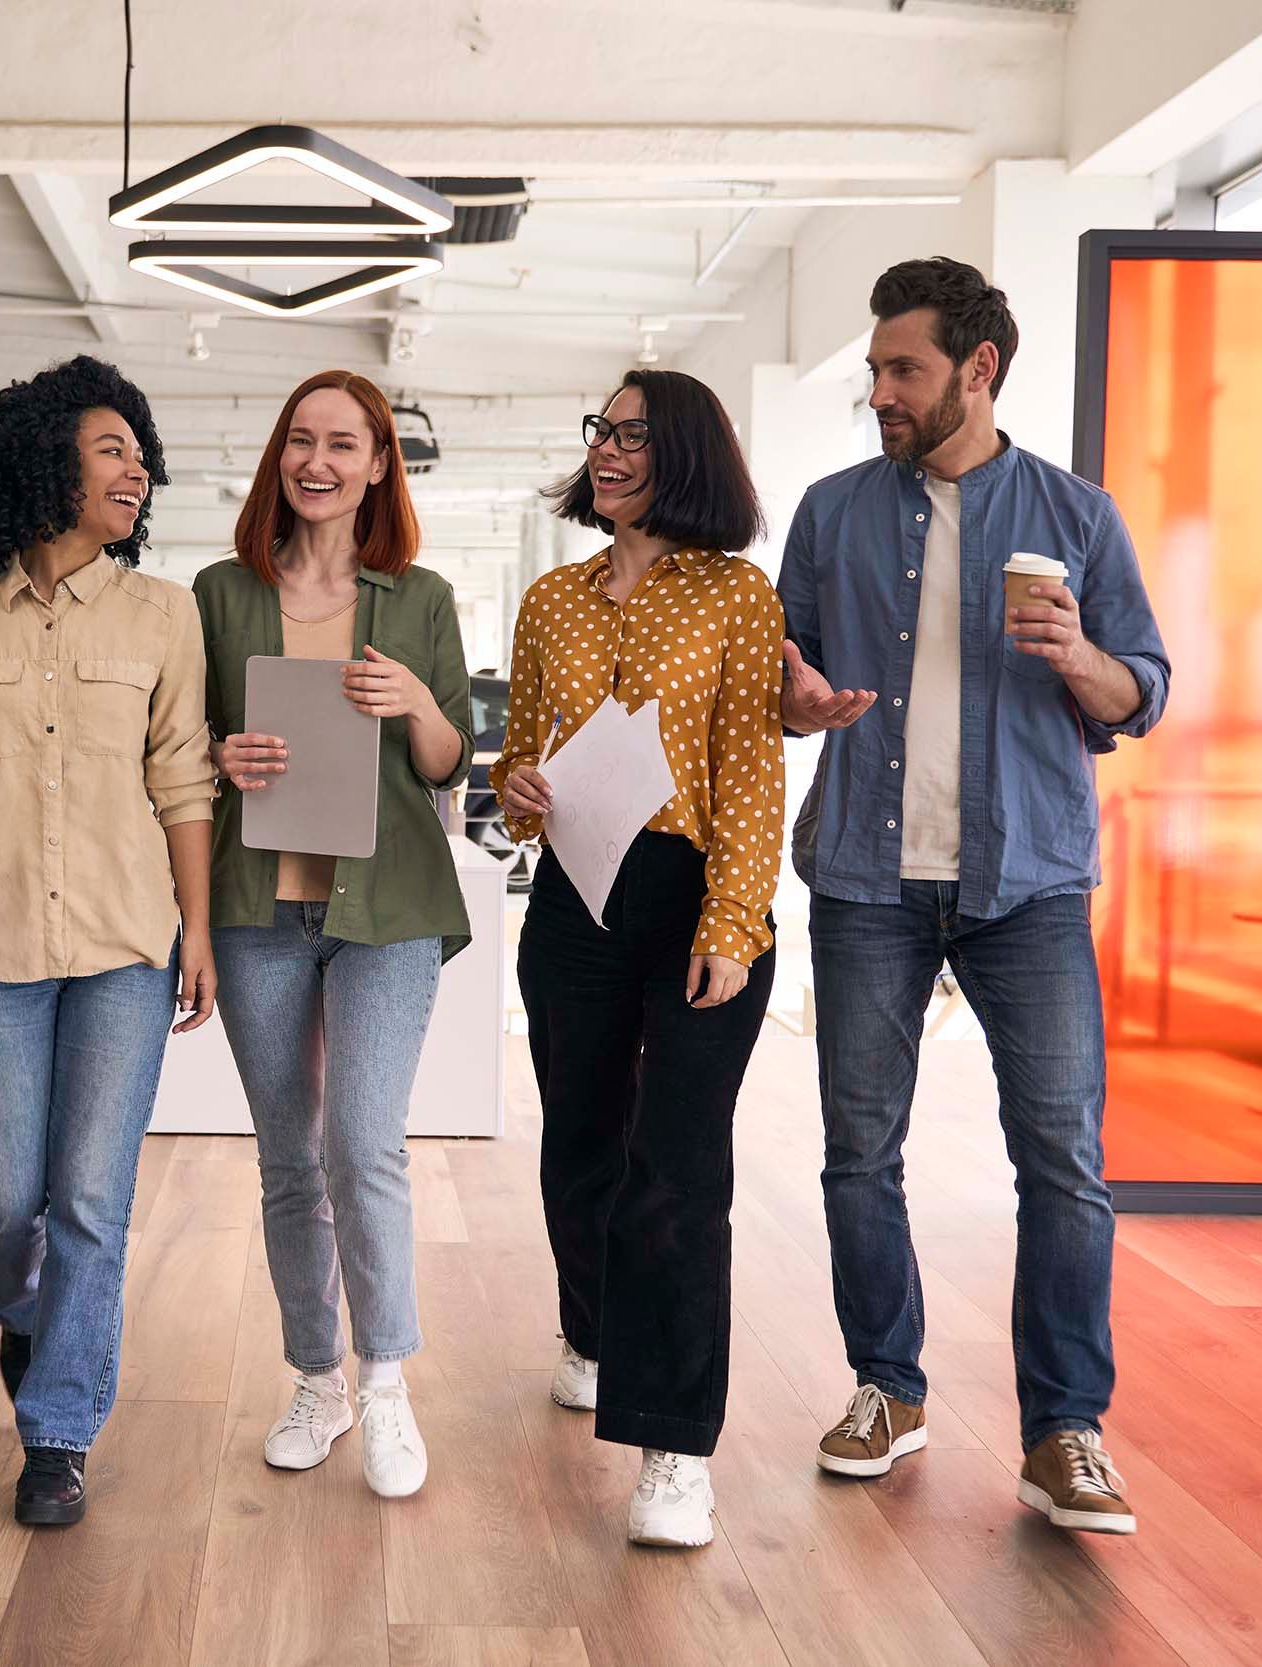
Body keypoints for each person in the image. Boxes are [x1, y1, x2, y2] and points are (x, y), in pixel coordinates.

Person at [776, 256, 1169, 1535]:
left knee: (1062, 1163)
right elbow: (784, 681)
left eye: (904, 369)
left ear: (976, 370)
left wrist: (1080, 655)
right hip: (865, 880)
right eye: (877, 368)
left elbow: (1142, 693)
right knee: (857, 1154)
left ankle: (1065, 1430)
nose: (880, 390)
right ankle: (886, 1386)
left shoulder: (1077, 514)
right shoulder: (832, 512)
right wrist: (798, 702)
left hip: (1030, 883)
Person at [0, 355, 216, 1527]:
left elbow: (182, 772)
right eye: (111, 450)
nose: (136, 470)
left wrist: (196, 928)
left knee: (90, 1195)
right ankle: (33, 1324)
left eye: (141, 454)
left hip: (127, 944)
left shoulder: (160, 612)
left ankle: (58, 1431)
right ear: (45, 461)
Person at [491, 368, 784, 1548]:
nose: (608, 450)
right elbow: (521, 767)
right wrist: (518, 792)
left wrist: (729, 926)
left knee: (676, 1169)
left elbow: (756, 772)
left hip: (692, 896)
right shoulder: (551, 599)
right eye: (600, 431)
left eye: (633, 434)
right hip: (573, 890)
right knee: (577, 1145)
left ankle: (671, 1447)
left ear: (687, 456)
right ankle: (593, 1327)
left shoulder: (737, 596)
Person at [196, 370, 475, 1500]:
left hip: (388, 906)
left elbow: (451, 763)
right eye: (300, 439)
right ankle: (314, 1375)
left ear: (376, 466)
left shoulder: (420, 596)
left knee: (363, 1143)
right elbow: (181, 746)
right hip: (258, 907)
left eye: (343, 443)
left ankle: (386, 1379)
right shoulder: (217, 593)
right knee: (285, 1157)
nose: (318, 459)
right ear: (280, 458)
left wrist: (414, 701)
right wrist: (219, 759)